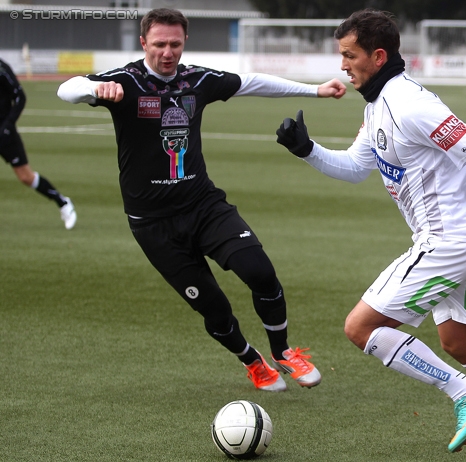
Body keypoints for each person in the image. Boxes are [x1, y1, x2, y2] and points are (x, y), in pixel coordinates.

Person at [276, 8, 466, 452]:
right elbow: (356, 168)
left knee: (361, 328)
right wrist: (306, 149)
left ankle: (464, 391)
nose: (342, 65)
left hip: (449, 240)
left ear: (377, 56)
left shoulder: (410, 104)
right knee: (459, 341)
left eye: (349, 55)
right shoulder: (378, 106)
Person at [57, 8, 346, 392]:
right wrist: (94, 89)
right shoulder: (125, 81)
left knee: (260, 272)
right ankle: (251, 361)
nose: (167, 51)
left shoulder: (198, 80)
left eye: (175, 43)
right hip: (152, 223)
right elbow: (67, 88)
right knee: (214, 309)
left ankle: (283, 351)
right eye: (159, 44)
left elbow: (252, 82)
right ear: (143, 42)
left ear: (184, 42)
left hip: (203, 206)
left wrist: (314, 90)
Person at [0, 58, 77, 229]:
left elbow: (20, 97)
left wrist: (7, 125)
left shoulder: (2, 69)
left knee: (25, 177)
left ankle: (63, 202)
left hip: (4, 134)